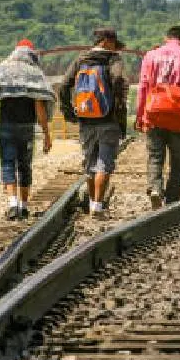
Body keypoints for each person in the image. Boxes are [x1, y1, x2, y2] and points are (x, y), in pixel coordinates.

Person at [0, 39, 55, 220]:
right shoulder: (35, 72)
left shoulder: (4, 69)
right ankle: (24, 207)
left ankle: (12, 204)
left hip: (6, 127)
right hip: (26, 128)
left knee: (8, 163)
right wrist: (47, 133)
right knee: (25, 165)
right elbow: (40, 107)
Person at [58, 27, 128, 219]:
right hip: (108, 119)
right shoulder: (113, 60)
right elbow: (118, 84)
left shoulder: (81, 59)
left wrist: (69, 113)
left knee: (90, 164)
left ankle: (91, 204)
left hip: (86, 119)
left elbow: (64, 85)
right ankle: (97, 206)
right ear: (106, 41)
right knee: (104, 162)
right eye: (114, 43)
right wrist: (121, 119)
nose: (115, 47)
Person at [135, 25, 180, 209]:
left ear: (166, 38)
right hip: (177, 116)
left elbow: (142, 88)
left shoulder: (150, 56)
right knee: (177, 160)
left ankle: (155, 188)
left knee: (155, 155)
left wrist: (139, 115)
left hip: (154, 112)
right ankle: (173, 201)